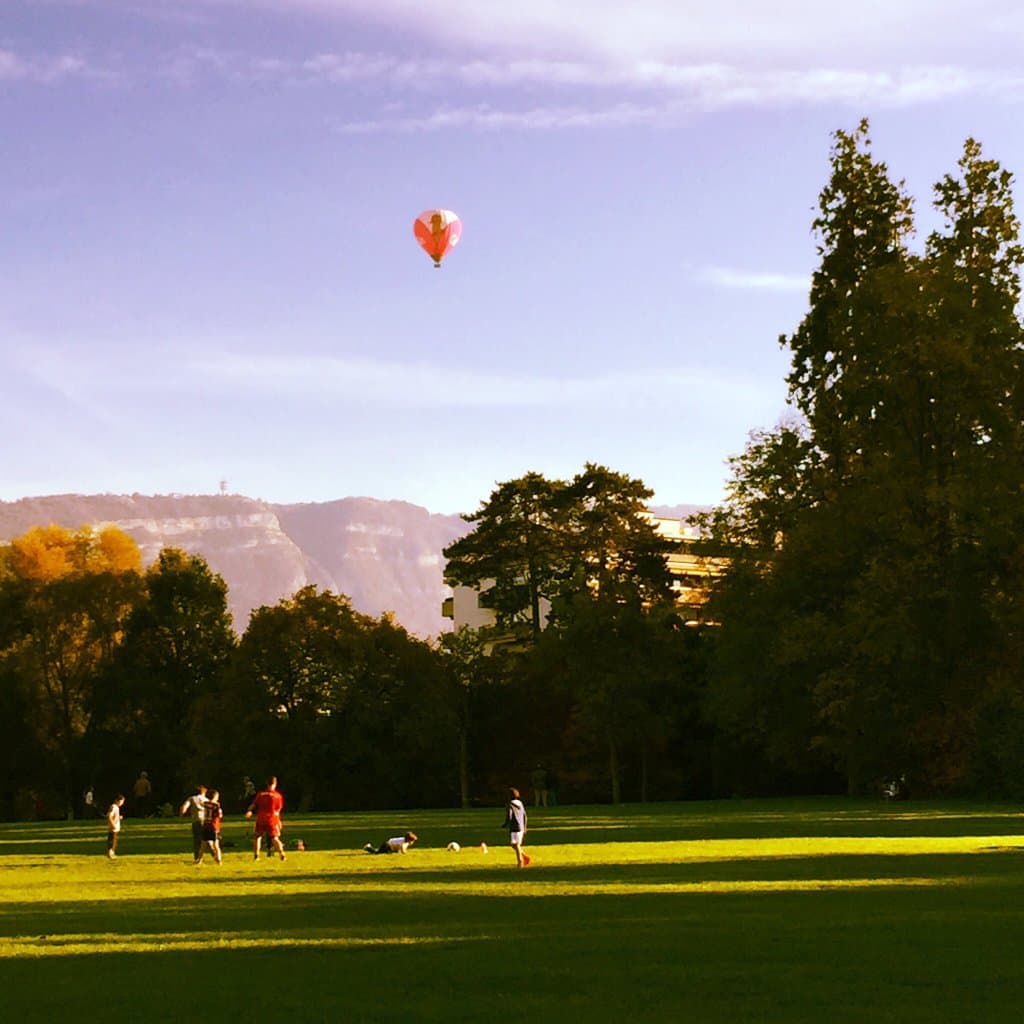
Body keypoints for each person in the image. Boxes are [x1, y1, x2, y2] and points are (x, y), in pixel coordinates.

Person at [245, 776, 286, 861]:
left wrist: (249, 811)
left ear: (267, 784)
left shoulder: (261, 794)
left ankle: (256, 856)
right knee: (274, 838)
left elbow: (254, 804)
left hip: (261, 818)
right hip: (272, 818)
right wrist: (278, 821)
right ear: (275, 784)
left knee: (257, 837)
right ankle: (282, 854)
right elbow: (277, 810)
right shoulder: (278, 796)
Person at [180, 784, 208, 864]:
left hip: (196, 821)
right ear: (204, 792)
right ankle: (216, 856)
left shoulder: (192, 798)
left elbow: (184, 807)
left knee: (197, 841)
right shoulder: (206, 800)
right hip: (206, 821)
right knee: (208, 840)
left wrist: (182, 814)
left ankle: (197, 858)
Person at [503, 787, 530, 867]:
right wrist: (525, 827)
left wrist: (505, 824)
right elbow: (525, 815)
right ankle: (525, 857)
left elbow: (509, 815)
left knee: (516, 845)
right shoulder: (520, 803)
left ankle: (520, 862)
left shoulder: (510, 804)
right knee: (514, 845)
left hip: (514, 827)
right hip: (521, 826)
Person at [202, 788, 224, 865]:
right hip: (214, 825)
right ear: (215, 796)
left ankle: (199, 860)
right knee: (216, 844)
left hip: (206, 824)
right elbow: (220, 815)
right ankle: (219, 860)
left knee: (203, 844)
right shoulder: (216, 805)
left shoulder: (205, 803)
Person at [106, 794, 125, 859]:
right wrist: (113, 825)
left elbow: (114, 816)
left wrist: (118, 817)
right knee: (112, 840)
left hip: (116, 827)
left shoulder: (116, 807)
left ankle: (112, 853)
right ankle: (110, 853)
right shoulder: (114, 807)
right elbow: (109, 816)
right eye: (121, 801)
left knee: (114, 841)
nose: (122, 803)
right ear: (117, 800)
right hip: (113, 827)